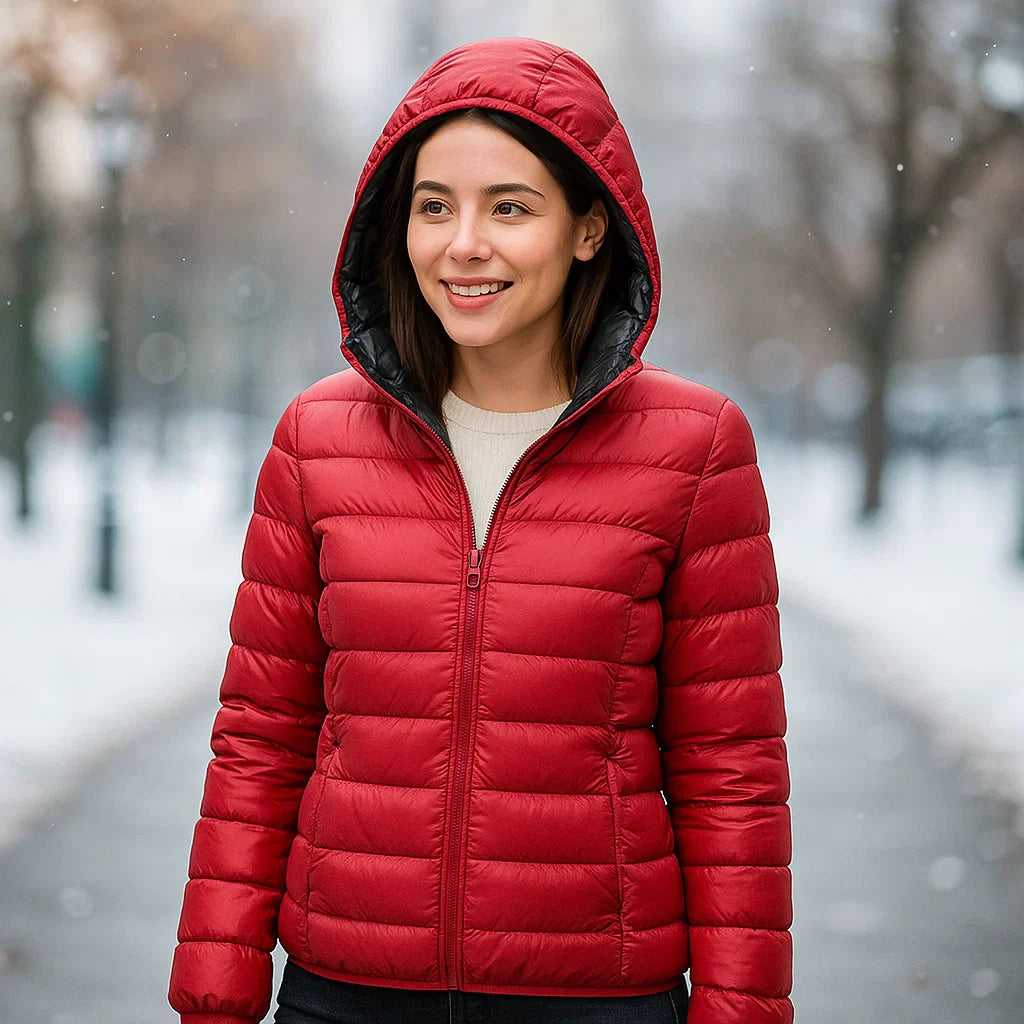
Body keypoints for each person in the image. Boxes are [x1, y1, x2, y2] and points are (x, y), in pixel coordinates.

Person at [168, 36, 793, 1024]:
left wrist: (741, 1009)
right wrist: (216, 988)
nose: (463, 243)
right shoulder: (314, 441)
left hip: (596, 996)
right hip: (347, 991)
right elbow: (262, 733)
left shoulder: (697, 447)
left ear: (590, 229)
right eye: (433, 206)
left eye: (509, 206)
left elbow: (731, 769)